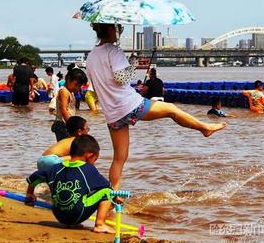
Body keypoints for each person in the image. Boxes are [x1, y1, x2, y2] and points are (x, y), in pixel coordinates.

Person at [86, 23, 226, 189]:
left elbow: (99, 84)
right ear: (110, 30)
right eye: (118, 28)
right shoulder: (113, 51)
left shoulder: (91, 56)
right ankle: (204, 128)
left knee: (119, 159)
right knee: (172, 110)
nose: (120, 31)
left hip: (112, 114)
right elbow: (121, 78)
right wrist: (133, 64)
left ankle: (113, 198)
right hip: (130, 105)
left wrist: (127, 63)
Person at [25, 134, 115, 233]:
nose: (94, 163)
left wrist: (30, 193)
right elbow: (107, 186)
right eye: (95, 159)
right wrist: (116, 198)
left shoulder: (55, 168)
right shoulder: (88, 169)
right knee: (108, 192)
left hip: (60, 215)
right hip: (77, 214)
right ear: (89, 155)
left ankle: (72, 223)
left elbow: (34, 177)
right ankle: (100, 224)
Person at [51, 68, 85, 141]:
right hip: (63, 125)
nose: (77, 88)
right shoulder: (64, 92)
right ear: (68, 79)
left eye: (79, 86)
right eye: (76, 85)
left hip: (66, 123)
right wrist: (73, 127)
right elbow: (64, 109)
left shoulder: (70, 92)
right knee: (66, 145)